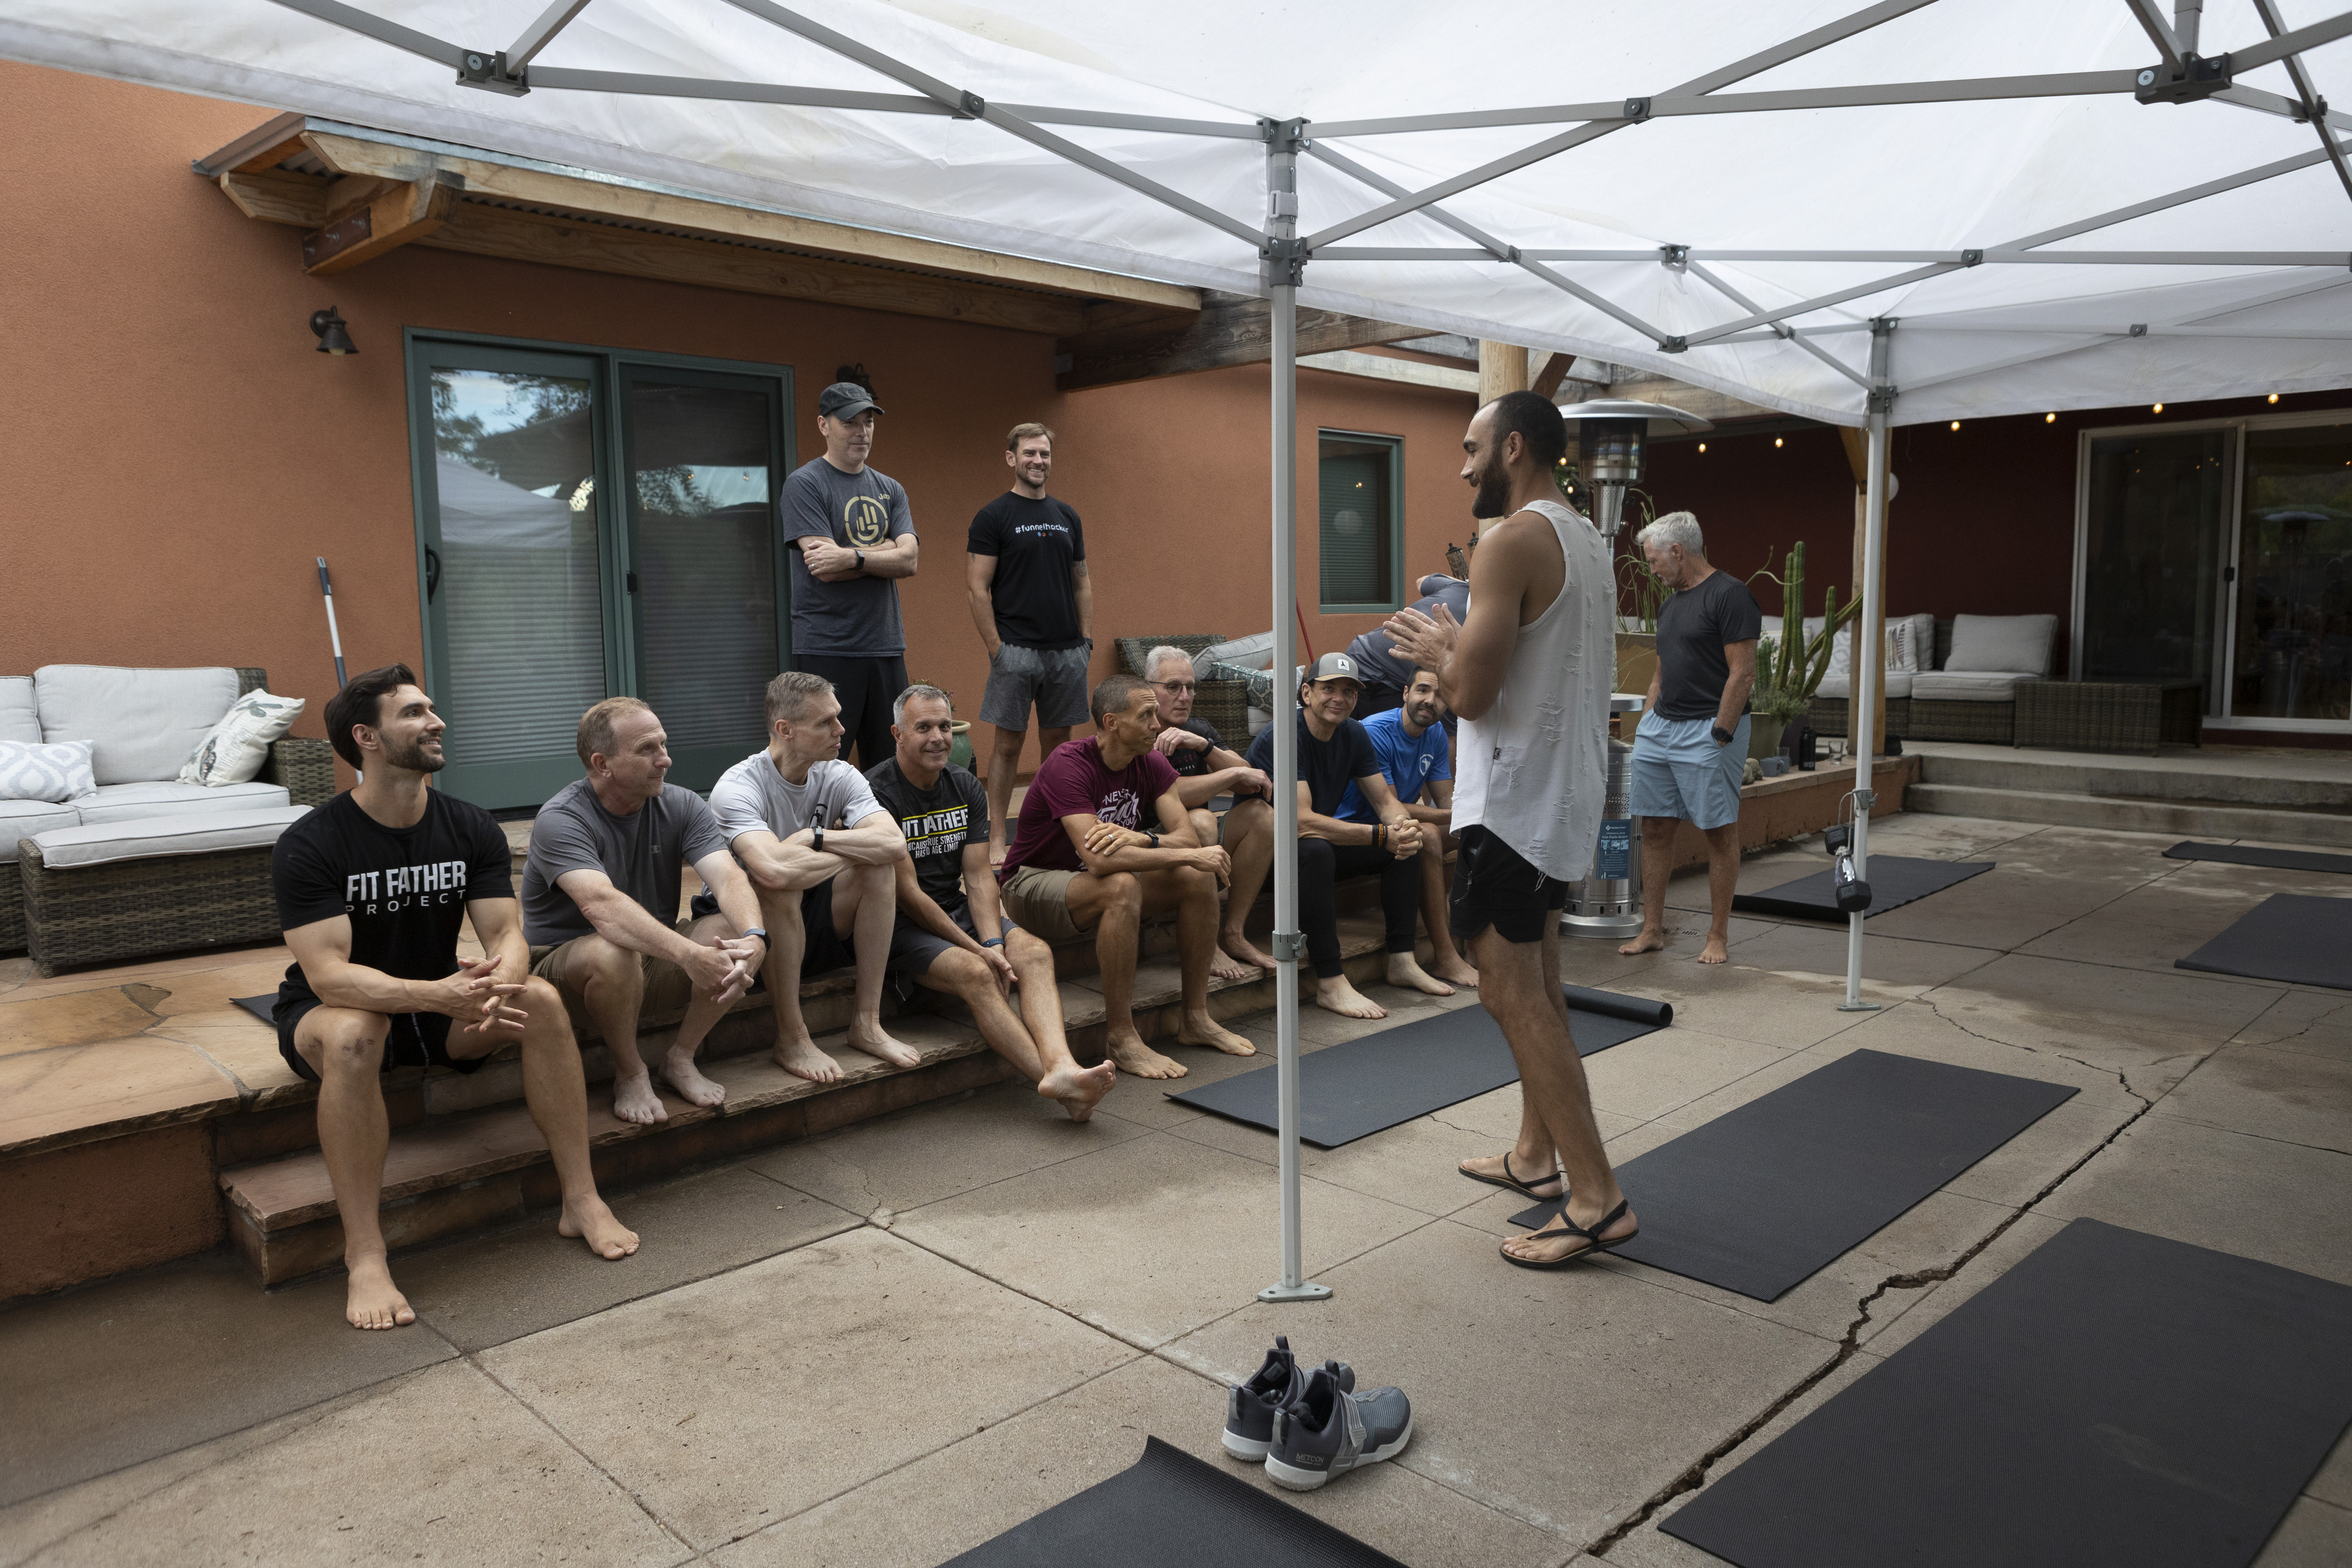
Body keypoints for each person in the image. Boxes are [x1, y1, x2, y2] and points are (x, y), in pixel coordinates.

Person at [269, 665, 636, 1331]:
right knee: (357, 1033)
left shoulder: (469, 826)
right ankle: (366, 1255)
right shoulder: (312, 844)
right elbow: (328, 976)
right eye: (413, 713)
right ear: (367, 738)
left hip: (443, 1003)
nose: (436, 722)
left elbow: (505, 932)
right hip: (338, 1013)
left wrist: (500, 978)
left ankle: (580, 1199)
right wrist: (437, 995)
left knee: (543, 1002)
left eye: (431, 710)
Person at [1386, 390, 1636, 1269]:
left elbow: (1469, 698)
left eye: (1471, 448)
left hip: (1518, 805)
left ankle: (1596, 1195)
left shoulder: (1512, 539)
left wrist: (1438, 653)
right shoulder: (1585, 541)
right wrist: (1465, 642)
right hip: (1563, 796)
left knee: (1510, 991)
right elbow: (1525, 661)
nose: (1462, 467)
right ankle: (1536, 1155)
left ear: (1515, 448)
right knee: (1542, 979)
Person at [867, 684, 1118, 1119]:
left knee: (1035, 953)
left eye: (945, 726)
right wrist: (979, 950)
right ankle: (1063, 1088)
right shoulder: (876, 792)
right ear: (898, 734)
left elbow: (980, 876)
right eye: (923, 727)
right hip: (899, 923)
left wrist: (996, 944)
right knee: (976, 973)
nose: (937, 737)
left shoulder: (964, 784)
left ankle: (1062, 1066)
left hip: (955, 907)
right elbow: (907, 894)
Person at [997, 674, 1259, 1079]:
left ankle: (1195, 1018)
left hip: (1094, 878)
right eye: (1147, 715)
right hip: (1032, 884)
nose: (1159, 725)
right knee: (1121, 886)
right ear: (1112, 722)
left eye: (1156, 713)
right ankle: (1121, 1037)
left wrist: (1144, 838)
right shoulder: (1068, 764)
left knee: (1193, 877)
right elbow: (1098, 860)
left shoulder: (1150, 762)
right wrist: (1181, 850)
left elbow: (1185, 833)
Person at [520, 698, 768, 1125]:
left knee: (731, 930)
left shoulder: (682, 805)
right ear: (603, 764)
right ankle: (631, 1071)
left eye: (664, 745)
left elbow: (728, 878)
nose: (665, 759)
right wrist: (689, 955)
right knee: (612, 950)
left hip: (647, 962)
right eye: (647, 750)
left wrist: (754, 937)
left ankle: (681, 1059)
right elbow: (602, 906)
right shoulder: (561, 819)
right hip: (567, 978)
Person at [709, 671, 917, 1082]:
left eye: (838, 718)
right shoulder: (738, 786)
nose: (842, 730)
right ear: (785, 730)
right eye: (826, 722)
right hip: (744, 930)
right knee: (780, 885)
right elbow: (773, 870)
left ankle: (868, 1024)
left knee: (878, 869)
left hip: (812, 914)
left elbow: (894, 843)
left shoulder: (839, 773)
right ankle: (792, 1037)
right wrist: (848, 846)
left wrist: (816, 837)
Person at [1222, 652, 1449, 1020]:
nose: (1339, 698)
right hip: (1266, 864)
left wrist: (1402, 827)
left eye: (1348, 691)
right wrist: (1380, 835)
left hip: (1313, 854)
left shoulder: (1354, 733)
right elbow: (1299, 822)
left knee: (1408, 845)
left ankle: (1402, 959)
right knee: (1317, 849)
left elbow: (1384, 800)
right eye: (1329, 689)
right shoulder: (1283, 736)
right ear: (1307, 693)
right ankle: (1330, 980)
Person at [1617, 511, 1760, 966]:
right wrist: (1646, 722)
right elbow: (1661, 669)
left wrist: (1721, 732)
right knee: (1655, 828)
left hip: (1708, 728)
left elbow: (1743, 672)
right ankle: (1653, 930)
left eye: (1656, 560)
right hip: (1663, 727)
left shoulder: (1731, 596)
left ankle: (1717, 936)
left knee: (1719, 832)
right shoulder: (1671, 603)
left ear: (1678, 552)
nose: (1653, 569)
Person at [968, 422, 1093, 865]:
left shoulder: (1067, 516)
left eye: (1044, 454)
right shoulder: (993, 516)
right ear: (1011, 458)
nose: (1038, 462)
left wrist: (1086, 641)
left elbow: (1082, 583)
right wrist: (996, 650)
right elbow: (978, 588)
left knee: (1059, 747)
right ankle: (999, 836)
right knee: (1007, 746)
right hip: (1016, 650)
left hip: (1067, 652)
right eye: (1029, 454)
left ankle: (1046, 830)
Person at [783, 380, 920, 768]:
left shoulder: (890, 489)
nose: (862, 432)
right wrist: (886, 551)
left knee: (892, 763)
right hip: (828, 647)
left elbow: (910, 561)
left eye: (868, 422)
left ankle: (879, 832)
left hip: (885, 645)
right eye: (850, 423)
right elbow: (823, 568)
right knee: (822, 764)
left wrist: (851, 557)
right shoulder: (805, 484)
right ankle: (819, 832)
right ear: (824, 425)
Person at [1336, 667, 1479, 989]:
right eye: (1423, 690)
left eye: (1441, 696)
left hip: (1400, 826)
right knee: (1428, 834)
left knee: (1481, 834)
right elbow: (1390, 804)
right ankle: (1445, 956)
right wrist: (1466, 814)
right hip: (1357, 830)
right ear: (1406, 693)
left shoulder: (1436, 734)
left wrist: (1469, 818)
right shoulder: (1376, 731)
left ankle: (1478, 941)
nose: (1430, 701)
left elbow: (1446, 801)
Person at [1140, 643, 1273, 977]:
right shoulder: (1138, 731)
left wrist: (1205, 745)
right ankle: (1206, 944)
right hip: (1148, 856)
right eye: (1173, 687)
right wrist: (1229, 775)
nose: (1184, 696)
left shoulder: (1198, 729)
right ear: (1149, 690)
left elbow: (1252, 783)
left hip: (1200, 851)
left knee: (1263, 816)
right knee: (1200, 821)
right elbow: (1169, 795)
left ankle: (1233, 933)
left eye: (1190, 687)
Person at [1345, 571, 1472, 720]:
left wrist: (1465, 584)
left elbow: (1422, 581)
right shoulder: (1482, 630)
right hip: (1384, 677)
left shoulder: (1457, 587)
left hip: (1360, 652)